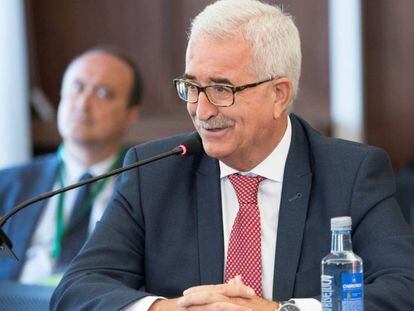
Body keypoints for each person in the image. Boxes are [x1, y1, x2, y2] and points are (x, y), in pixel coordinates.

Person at [51, 1, 414, 310]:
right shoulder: (156, 171)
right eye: (192, 86)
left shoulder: (350, 172)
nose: (202, 109)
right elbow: (77, 288)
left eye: (222, 88)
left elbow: (403, 287)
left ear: (279, 95)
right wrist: (168, 308)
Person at [0, 47, 141, 284]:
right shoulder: (7, 185)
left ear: (131, 116)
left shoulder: (146, 187)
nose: (83, 103)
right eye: (76, 87)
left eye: (103, 93)